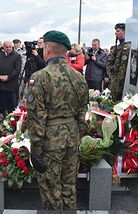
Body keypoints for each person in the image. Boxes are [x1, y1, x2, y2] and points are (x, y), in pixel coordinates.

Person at [26, 30, 89, 210]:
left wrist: (36, 149)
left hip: (50, 142)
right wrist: (76, 134)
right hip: (72, 139)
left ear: (47, 48)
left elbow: (37, 117)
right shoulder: (78, 77)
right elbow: (82, 111)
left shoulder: (40, 77)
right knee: (69, 188)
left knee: (51, 191)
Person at [0, 40, 21, 116]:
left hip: (11, 84)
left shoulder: (16, 56)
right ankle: (5, 118)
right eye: (6, 47)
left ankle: (13, 119)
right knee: (4, 103)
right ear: (3, 47)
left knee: (12, 103)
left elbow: (17, 69)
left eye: (10, 47)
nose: (8, 49)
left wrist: (8, 77)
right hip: (2, 84)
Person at [107, 23, 131, 101]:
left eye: (118, 31)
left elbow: (122, 68)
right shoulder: (119, 46)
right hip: (115, 81)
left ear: (124, 32)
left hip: (119, 84)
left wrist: (118, 84)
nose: (115, 33)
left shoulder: (126, 47)